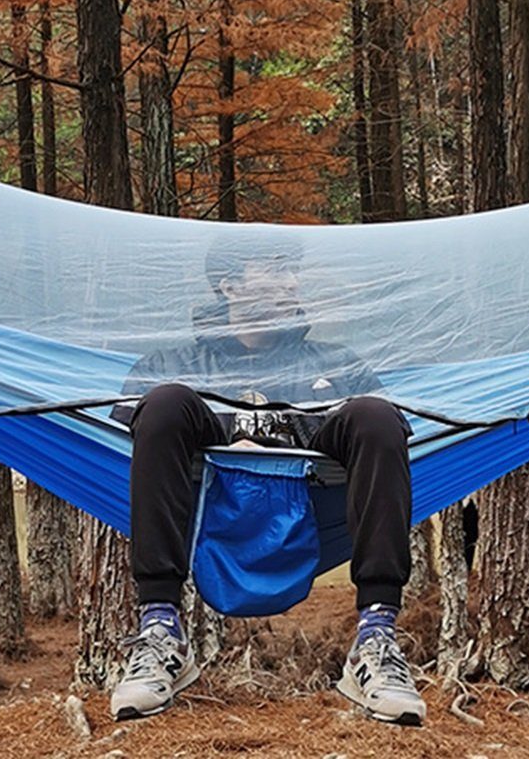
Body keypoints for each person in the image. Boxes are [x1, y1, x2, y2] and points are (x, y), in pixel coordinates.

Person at [109, 235, 425, 726]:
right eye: (274, 270)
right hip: (199, 504)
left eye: (291, 271)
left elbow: (373, 433)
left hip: (317, 502)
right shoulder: (171, 366)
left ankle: (376, 639)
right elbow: (135, 429)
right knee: (165, 402)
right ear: (229, 286)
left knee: (378, 417)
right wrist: (230, 441)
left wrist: (270, 444)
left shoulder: (334, 365)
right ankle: (160, 631)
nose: (290, 282)